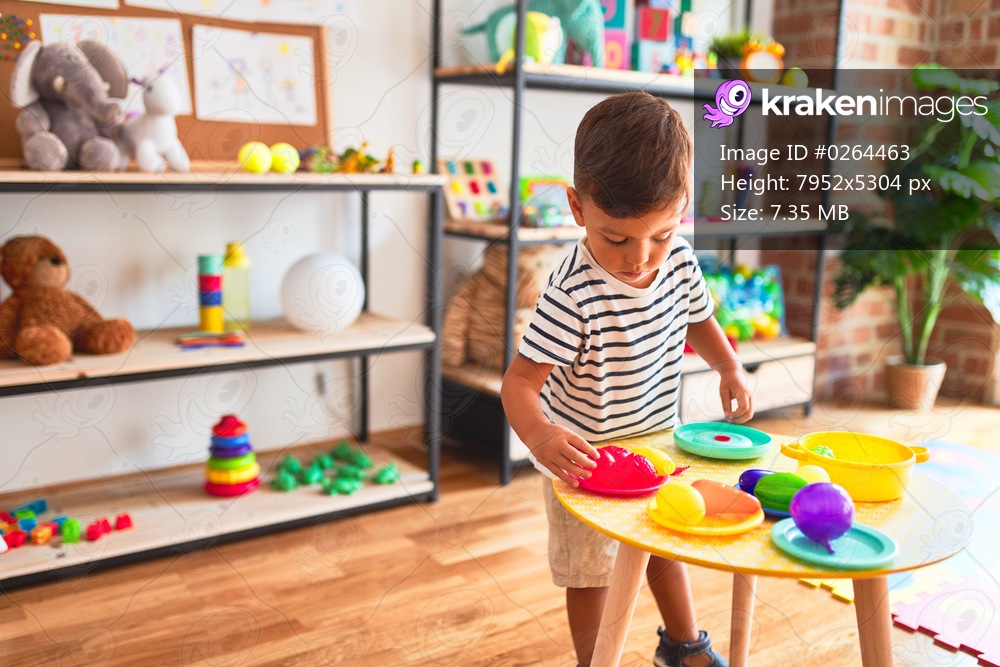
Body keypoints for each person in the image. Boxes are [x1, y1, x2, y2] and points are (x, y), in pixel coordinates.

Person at [501, 91, 753, 667]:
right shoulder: (572, 292)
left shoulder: (681, 261)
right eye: (617, 238)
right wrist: (542, 438)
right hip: (584, 464)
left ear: (683, 209)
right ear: (578, 207)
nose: (640, 257)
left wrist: (730, 366)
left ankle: (685, 646)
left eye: (660, 234)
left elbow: (702, 320)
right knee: (591, 574)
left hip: (657, 445)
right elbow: (518, 383)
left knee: (665, 542)